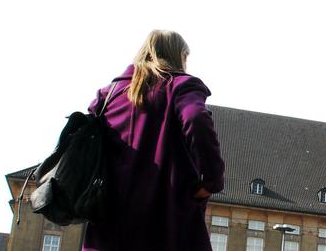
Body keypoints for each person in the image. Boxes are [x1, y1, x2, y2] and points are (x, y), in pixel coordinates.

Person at [82, 30, 225, 251]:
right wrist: (211, 182)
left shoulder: (108, 96)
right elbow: (196, 118)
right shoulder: (180, 86)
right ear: (179, 56)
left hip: (108, 229)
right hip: (166, 223)